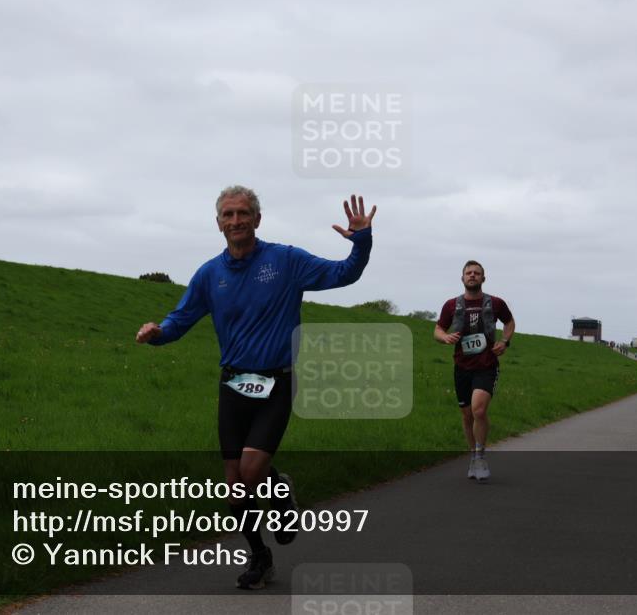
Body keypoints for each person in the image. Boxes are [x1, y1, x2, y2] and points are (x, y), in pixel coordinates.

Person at [136, 187, 376, 589]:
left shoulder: (286, 260)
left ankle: (276, 489)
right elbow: (180, 320)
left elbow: (343, 273)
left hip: (276, 382)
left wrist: (361, 242)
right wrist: (157, 333)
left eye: (243, 213)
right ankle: (260, 555)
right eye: (228, 215)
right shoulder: (210, 274)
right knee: (234, 489)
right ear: (218, 224)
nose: (235, 221)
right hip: (232, 384)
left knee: (248, 473)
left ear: (257, 219)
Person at [434, 260, 515, 483]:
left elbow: (509, 322)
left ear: (483, 278)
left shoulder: (496, 303)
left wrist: (505, 342)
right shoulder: (451, 305)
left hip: (487, 365)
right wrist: (445, 337)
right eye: (468, 273)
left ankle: (480, 457)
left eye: (476, 273)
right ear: (462, 278)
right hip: (462, 367)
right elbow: (438, 329)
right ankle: (472, 456)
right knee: (467, 415)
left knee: (479, 410)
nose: (472, 275)